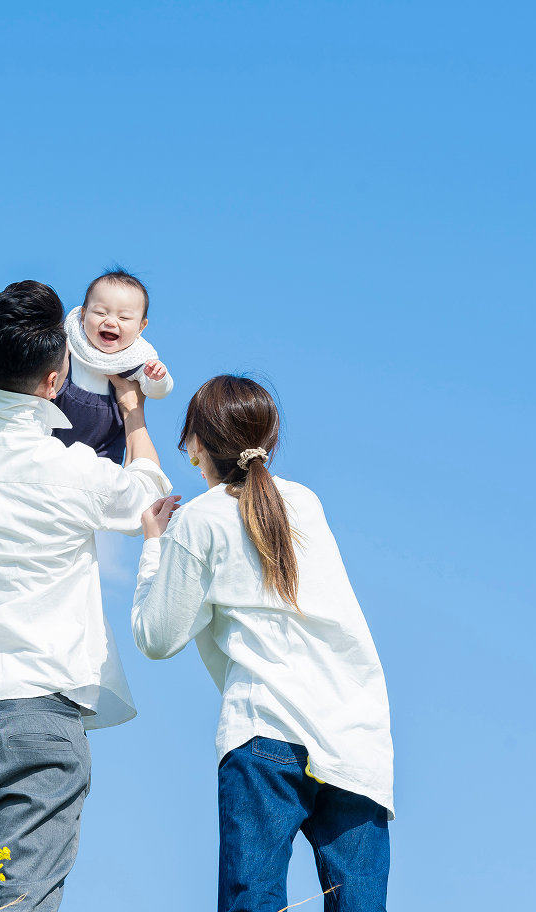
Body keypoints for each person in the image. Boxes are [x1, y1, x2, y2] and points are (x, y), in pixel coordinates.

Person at [0, 280, 174, 912]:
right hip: (39, 707)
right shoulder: (72, 470)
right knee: (26, 904)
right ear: (55, 383)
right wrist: (132, 412)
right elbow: (148, 493)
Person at [132, 375, 393, 912]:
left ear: (196, 445)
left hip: (265, 729)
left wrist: (155, 548)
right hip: (355, 734)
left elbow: (156, 638)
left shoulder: (199, 521)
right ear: (269, 441)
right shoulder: (305, 504)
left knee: (252, 902)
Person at [53, 268, 173, 463]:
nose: (110, 321)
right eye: (100, 312)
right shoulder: (73, 342)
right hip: (53, 436)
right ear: (82, 316)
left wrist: (158, 378)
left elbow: (156, 392)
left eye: (124, 317)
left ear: (141, 328)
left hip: (102, 451)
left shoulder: (135, 358)